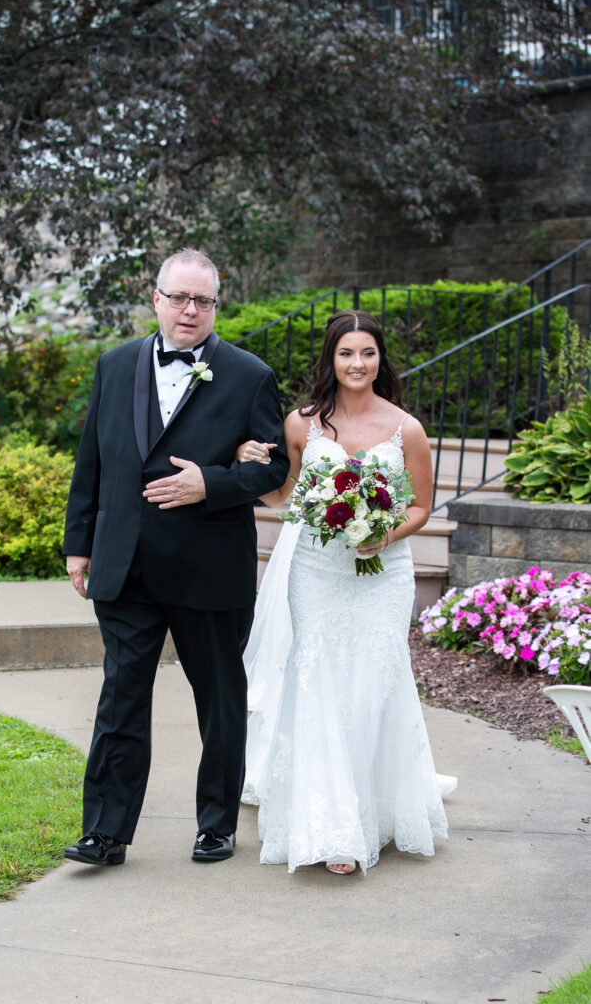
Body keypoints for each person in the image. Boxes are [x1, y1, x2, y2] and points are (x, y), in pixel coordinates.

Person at [62, 247, 290, 868]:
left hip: (207, 566)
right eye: (180, 297)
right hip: (124, 563)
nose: (191, 310)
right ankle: (105, 832)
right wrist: (78, 545)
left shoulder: (248, 375)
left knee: (218, 700)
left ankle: (216, 824)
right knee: (120, 699)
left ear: (216, 305)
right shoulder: (114, 366)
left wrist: (209, 484)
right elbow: (93, 462)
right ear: (156, 298)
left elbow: (275, 468)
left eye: (204, 300)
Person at [236, 310, 454, 875]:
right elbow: (283, 498)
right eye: (346, 354)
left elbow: (422, 507)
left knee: (373, 685)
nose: (357, 364)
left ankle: (372, 814)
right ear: (330, 359)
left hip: (384, 576)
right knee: (319, 681)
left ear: (381, 359)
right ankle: (330, 825)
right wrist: (249, 465)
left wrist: (384, 533)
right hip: (315, 570)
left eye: (368, 353)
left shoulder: (406, 428)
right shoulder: (301, 424)